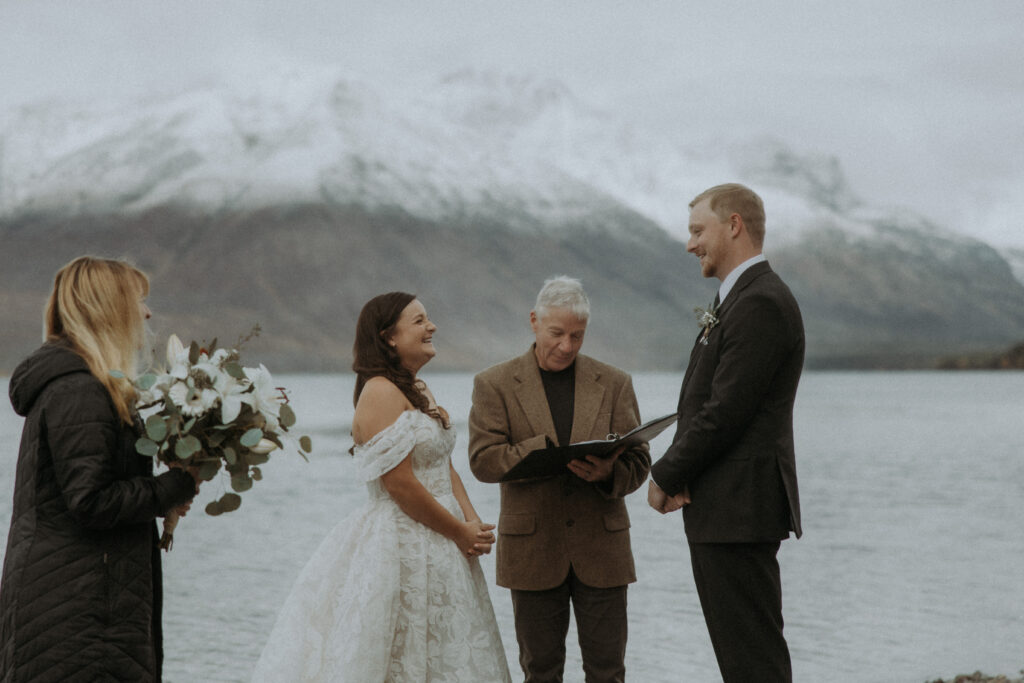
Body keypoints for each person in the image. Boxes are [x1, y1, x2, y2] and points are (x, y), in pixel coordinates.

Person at [251, 292, 510, 682]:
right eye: (420, 320)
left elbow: (442, 464)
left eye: (429, 319)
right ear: (389, 336)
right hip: (403, 542)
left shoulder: (419, 391)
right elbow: (399, 484)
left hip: (445, 541)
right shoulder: (379, 393)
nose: (432, 326)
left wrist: (472, 525)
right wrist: (457, 530)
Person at [0, 256, 199, 682]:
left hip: (83, 598)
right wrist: (176, 484)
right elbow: (91, 502)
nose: (147, 314)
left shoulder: (84, 385)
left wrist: (168, 488)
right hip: (79, 609)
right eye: (139, 302)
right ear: (110, 308)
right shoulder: (81, 390)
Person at [647, 183, 804, 682]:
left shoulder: (760, 302)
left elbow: (725, 411)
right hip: (725, 506)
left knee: (752, 659)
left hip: (741, 507)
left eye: (698, 231)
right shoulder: (740, 298)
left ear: (733, 224)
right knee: (740, 658)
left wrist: (665, 472)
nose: (690, 244)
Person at [469, 276, 651, 683]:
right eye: (557, 333)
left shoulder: (615, 382)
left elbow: (639, 459)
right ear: (534, 321)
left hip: (603, 551)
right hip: (532, 551)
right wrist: (541, 450)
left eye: (577, 336)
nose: (566, 346)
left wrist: (610, 474)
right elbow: (482, 460)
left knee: (608, 673)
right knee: (540, 672)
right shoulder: (493, 383)